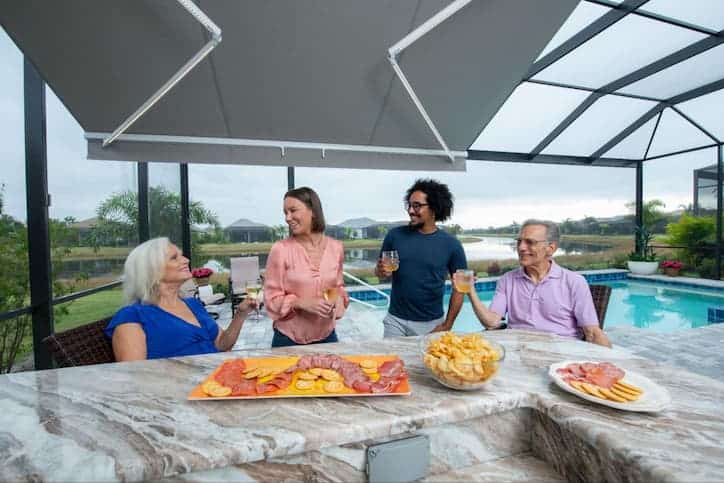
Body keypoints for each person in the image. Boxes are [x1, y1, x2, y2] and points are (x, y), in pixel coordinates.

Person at [460, 219, 611, 347]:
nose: (521, 248)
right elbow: (492, 322)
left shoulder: (574, 282)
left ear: (550, 248)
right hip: (517, 352)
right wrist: (470, 290)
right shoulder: (507, 280)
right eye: (519, 242)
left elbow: (592, 332)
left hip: (561, 354)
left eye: (530, 242)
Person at [106, 238, 258, 361]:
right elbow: (134, 376)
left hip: (215, 380)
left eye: (182, 255)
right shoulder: (132, 316)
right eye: (174, 258)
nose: (186, 260)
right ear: (152, 270)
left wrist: (240, 314)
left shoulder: (193, 304)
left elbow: (222, 344)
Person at [376, 179, 467, 337]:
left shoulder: (452, 245)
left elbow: (461, 288)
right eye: (409, 205)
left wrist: (448, 324)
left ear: (434, 208)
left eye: (417, 205)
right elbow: (379, 272)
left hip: (432, 325)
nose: (411, 210)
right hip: (395, 321)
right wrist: (381, 271)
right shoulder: (394, 236)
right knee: (391, 361)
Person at [264, 187, 349, 347]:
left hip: (327, 336)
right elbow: (270, 299)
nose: (288, 218)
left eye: (293, 210)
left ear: (313, 211)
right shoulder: (280, 250)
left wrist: (338, 299)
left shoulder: (336, 247)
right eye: (285, 212)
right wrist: (300, 303)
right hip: (288, 340)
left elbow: (337, 286)